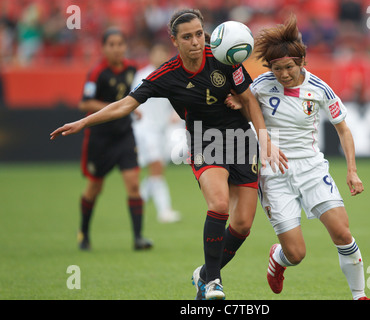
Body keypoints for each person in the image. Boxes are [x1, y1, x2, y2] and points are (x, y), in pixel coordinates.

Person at [50, 9, 287, 300]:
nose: (196, 42)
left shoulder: (224, 56)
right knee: (219, 204)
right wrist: (84, 121)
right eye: (187, 37)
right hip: (205, 142)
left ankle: (204, 274)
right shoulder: (166, 74)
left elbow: (249, 99)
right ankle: (213, 282)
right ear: (174, 40)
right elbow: (126, 104)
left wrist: (265, 141)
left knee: (242, 224)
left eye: (199, 34)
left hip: (241, 142)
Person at [226, 15, 370, 300]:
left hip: (311, 168)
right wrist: (238, 103)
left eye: (289, 67)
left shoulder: (320, 89)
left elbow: (344, 130)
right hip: (273, 173)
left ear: (302, 61)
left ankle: (360, 295)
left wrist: (352, 171)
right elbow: (247, 106)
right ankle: (278, 259)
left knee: (342, 234)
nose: (283, 74)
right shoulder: (260, 85)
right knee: (296, 253)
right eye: (277, 68)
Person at [76, 28, 153, 251]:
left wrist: (132, 109)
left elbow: (133, 96)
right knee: (94, 188)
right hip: (100, 138)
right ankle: (84, 233)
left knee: (133, 185)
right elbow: (85, 104)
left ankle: (138, 238)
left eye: (120, 44)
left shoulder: (131, 69)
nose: (117, 48)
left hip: (124, 135)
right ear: (103, 48)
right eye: (112, 44)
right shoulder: (97, 72)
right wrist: (117, 109)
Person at [131, 43, 182, 223]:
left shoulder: (171, 75)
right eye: (157, 52)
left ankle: (139, 201)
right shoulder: (143, 75)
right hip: (145, 129)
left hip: (162, 130)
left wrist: (175, 115)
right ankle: (164, 211)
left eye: (163, 52)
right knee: (157, 168)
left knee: (158, 170)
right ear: (151, 54)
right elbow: (132, 100)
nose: (160, 56)